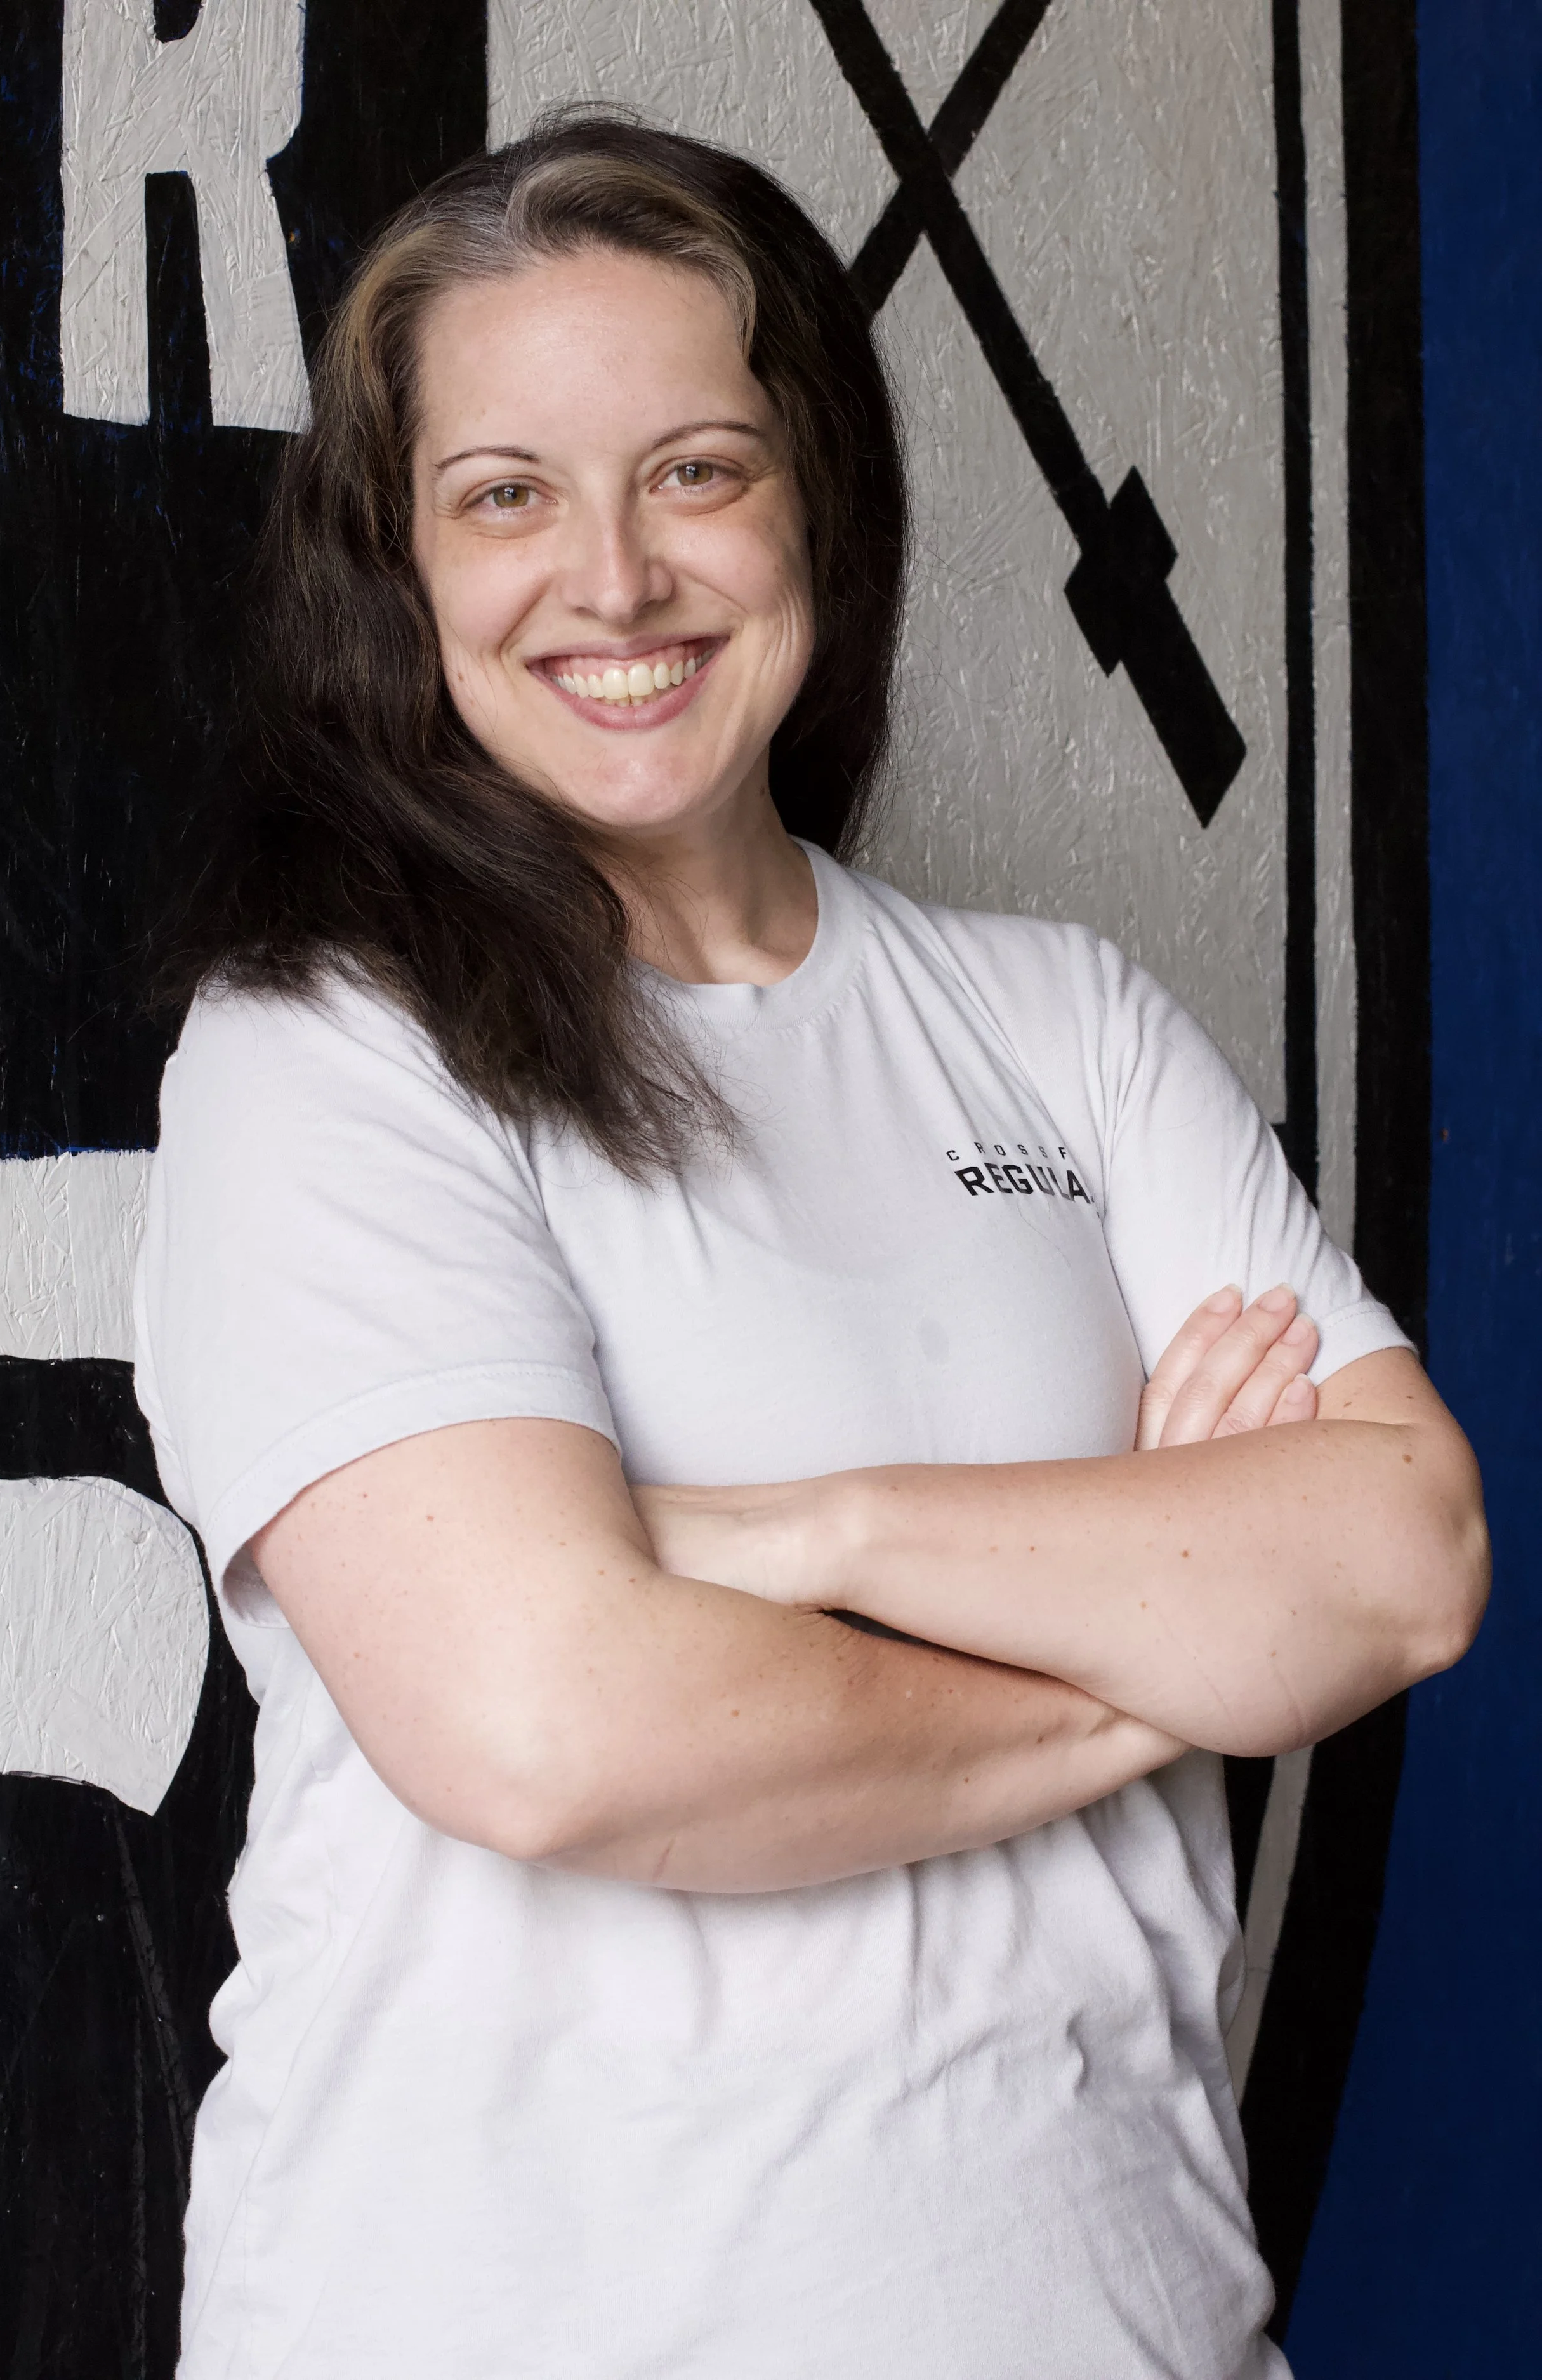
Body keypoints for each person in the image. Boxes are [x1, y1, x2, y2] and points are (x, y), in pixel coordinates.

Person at [137, 114, 1487, 2380]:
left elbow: (1404, 1560)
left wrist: (800, 1536)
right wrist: (1166, 1629)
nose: (612, 577)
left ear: (814, 505)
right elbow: (556, 1727)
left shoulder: (1061, 1022)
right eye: (504, 495)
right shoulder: (326, 1055)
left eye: (693, 471)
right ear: (398, 566)